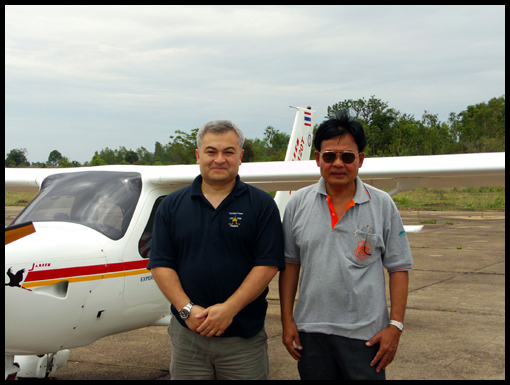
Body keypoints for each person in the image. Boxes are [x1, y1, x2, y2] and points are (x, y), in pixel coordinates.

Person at [279, 110, 413, 380]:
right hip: (312, 334)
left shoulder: (382, 204)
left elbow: (399, 268)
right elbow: (290, 265)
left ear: (360, 160)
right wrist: (286, 320)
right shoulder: (297, 204)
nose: (338, 163)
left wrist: (395, 327)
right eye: (329, 156)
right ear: (318, 159)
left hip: (366, 337)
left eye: (347, 156)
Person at [148, 120, 285, 380]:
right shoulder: (171, 206)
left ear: (240, 157)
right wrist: (187, 310)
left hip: (242, 338)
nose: (219, 159)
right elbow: (160, 264)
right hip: (188, 336)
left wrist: (229, 309)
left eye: (229, 152)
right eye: (211, 152)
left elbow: (267, 264)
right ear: (199, 155)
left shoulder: (262, 205)